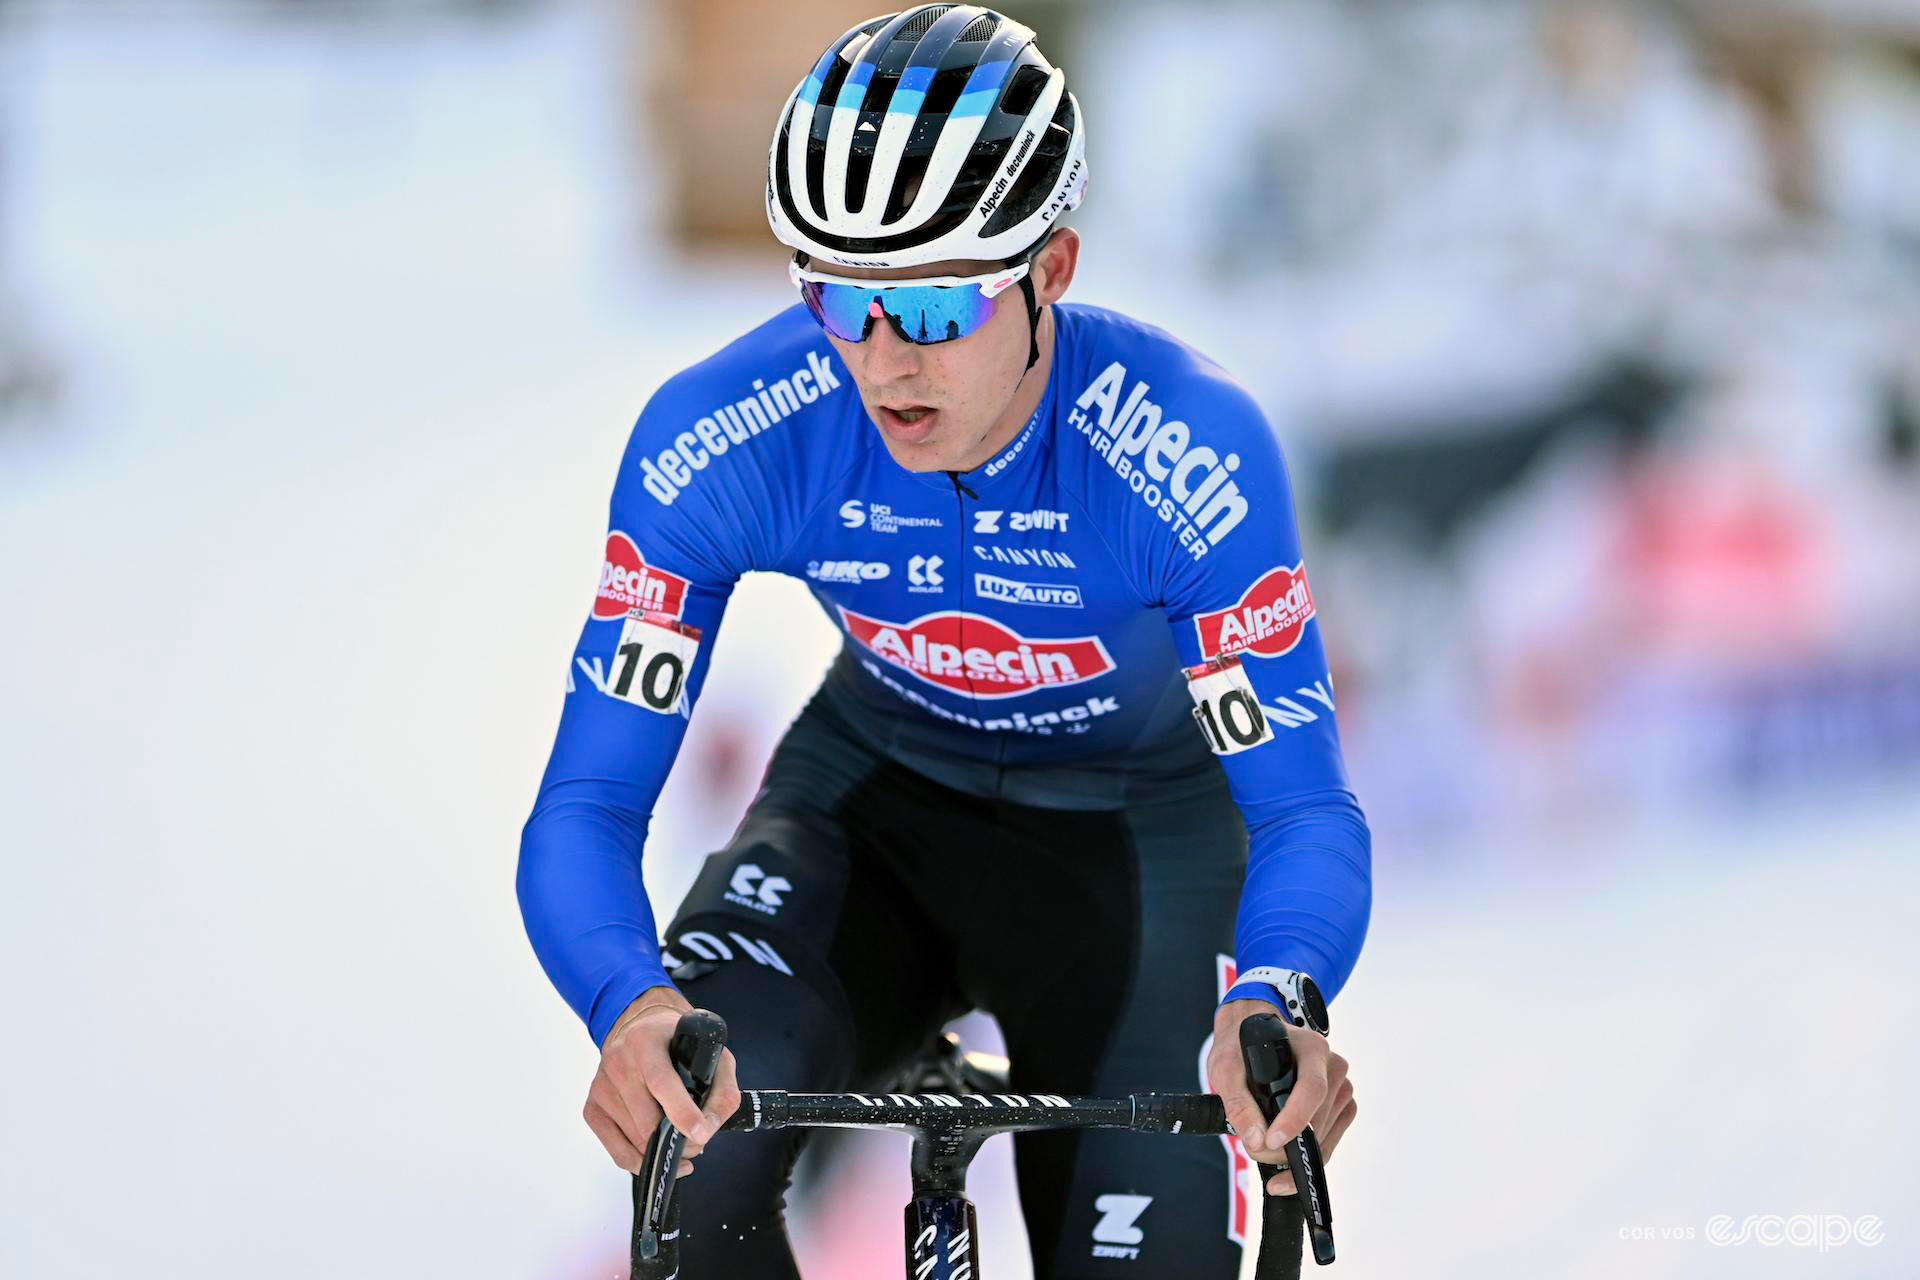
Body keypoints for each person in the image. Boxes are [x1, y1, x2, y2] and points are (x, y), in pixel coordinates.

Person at [517, 7, 1371, 1276]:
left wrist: (1278, 994)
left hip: (1138, 844)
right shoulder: (727, 437)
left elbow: (1305, 813)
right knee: (691, 1143)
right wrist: (629, 1005)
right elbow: (584, 808)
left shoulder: (1187, 455)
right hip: (875, 811)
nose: (879, 359)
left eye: (930, 306)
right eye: (840, 297)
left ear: (1055, 268)